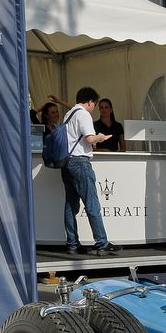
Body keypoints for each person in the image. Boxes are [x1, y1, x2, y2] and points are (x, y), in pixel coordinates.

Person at [61, 87, 122, 257]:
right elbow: (89, 138)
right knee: (92, 203)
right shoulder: (83, 114)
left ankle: (73, 244)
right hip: (80, 162)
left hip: (67, 163)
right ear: (90, 101)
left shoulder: (69, 114)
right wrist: (100, 137)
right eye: (94, 104)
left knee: (70, 204)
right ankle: (101, 243)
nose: (94, 107)